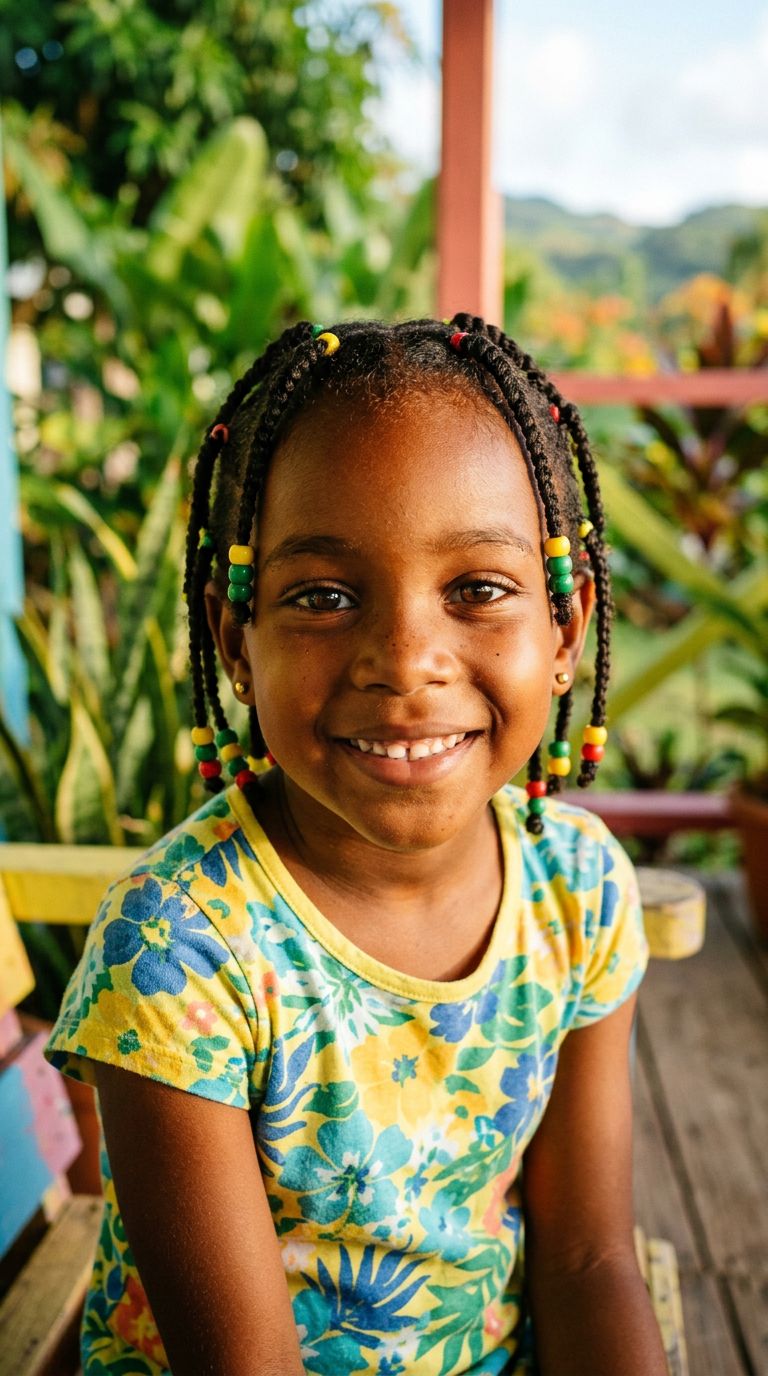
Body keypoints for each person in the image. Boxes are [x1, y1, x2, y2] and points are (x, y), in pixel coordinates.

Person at [45, 315, 668, 1376]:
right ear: (235, 640)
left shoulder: (577, 887)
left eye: (477, 587)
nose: (406, 659)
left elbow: (589, 1255)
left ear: (566, 630)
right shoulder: (181, 944)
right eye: (324, 595)